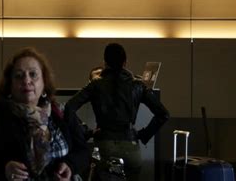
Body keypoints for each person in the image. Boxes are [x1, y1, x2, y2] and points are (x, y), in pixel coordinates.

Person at [0, 47, 89, 181]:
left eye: (33, 74)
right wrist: (3, 170)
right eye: (19, 76)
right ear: (10, 85)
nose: (26, 81)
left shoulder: (62, 114)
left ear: (44, 83)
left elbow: (83, 152)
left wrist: (70, 165)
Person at [65, 43, 169, 181]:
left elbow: (68, 108)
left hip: (105, 146)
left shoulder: (96, 84)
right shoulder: (137, 85)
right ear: (125, 62)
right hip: (131, 148)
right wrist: (143, 135)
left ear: (105, 62)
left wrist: (86, 132)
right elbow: (163, 114)